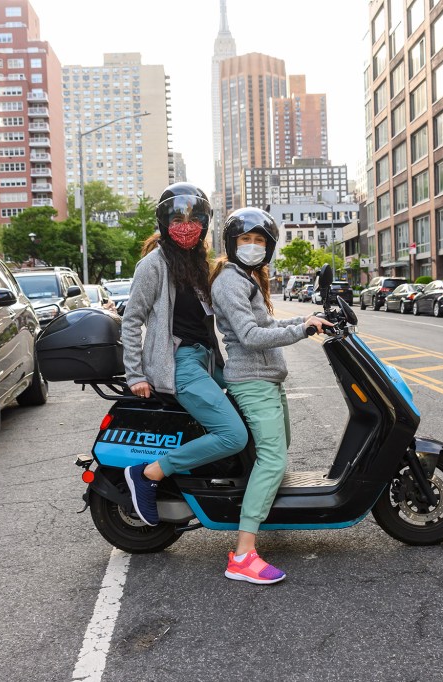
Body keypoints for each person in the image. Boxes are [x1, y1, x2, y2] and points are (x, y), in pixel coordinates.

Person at [210, 207, 332, 585]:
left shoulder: (245, 279)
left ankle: (264, 509)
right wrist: (301, 332)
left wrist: (305, 321)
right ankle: (244, 554)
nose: (251, 246)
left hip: (266, 377)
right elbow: (249, 336)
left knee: (282, 448)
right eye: (245, 239)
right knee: (274, 458)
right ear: (232, 244)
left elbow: (266, 324)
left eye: (259, 240)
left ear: (269, 246)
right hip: (252, 380)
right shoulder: (230, 282)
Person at [121, 182, 248, 530]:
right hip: (179, 363)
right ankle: (148, 473)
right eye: (177, 218)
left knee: (256, 389)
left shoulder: (196, 263)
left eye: (194, 219)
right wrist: (136, 375)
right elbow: (131, 321)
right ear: (164, 221)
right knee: (232, 435)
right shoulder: (154, 264)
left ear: (205, 223)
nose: (186, 226)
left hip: (206, 359)